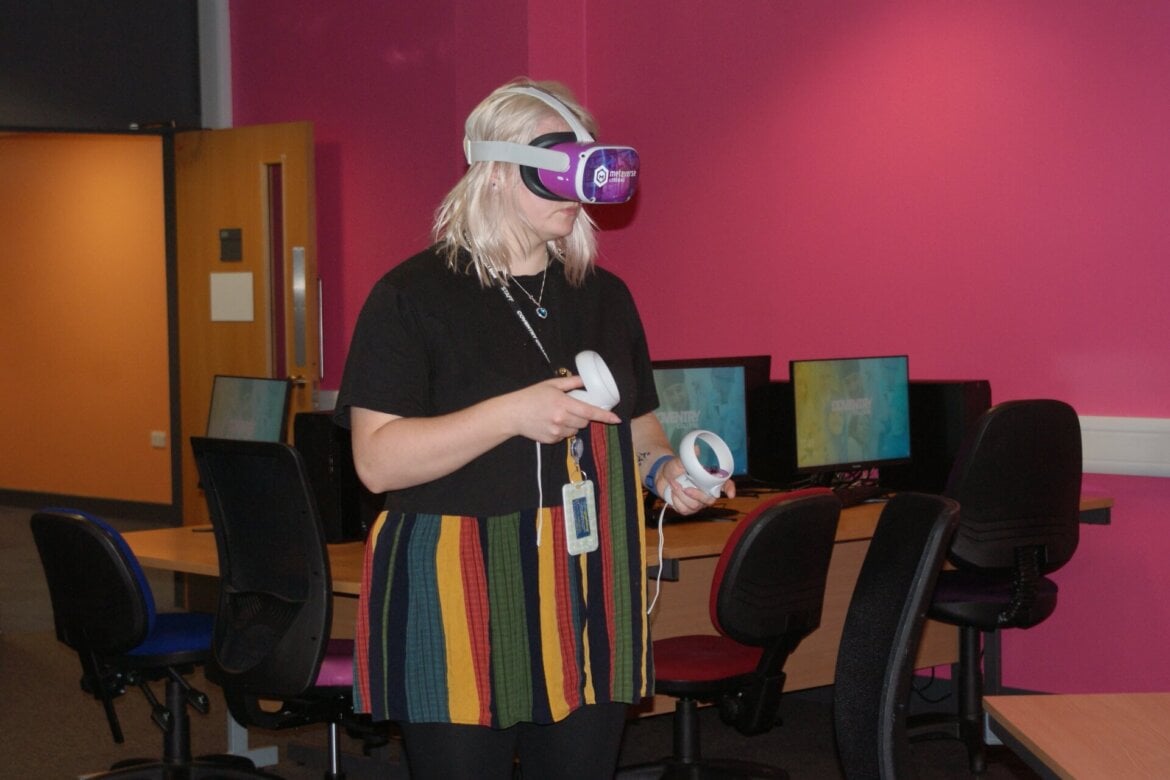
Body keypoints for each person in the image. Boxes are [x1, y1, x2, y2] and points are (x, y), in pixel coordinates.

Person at [334, 77, 733, 780]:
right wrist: (512, 414)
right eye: (557, 168)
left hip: (588, 583)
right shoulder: (412, 297)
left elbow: (638, 429)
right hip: (459, 581)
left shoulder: (604, 298)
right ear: (494, 171)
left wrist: (663, 473)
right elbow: (375, 462)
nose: (576, 191)